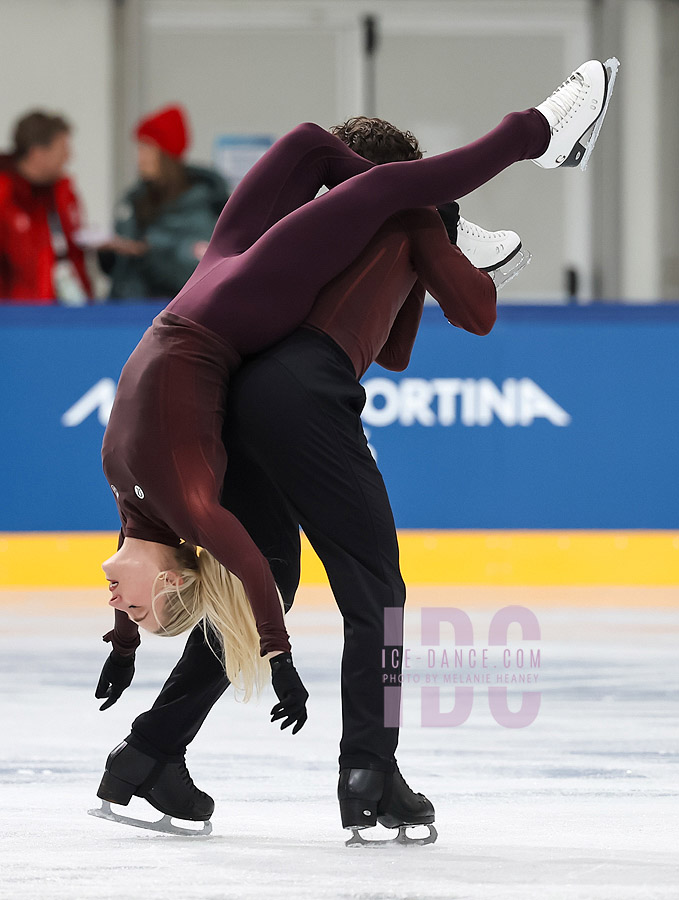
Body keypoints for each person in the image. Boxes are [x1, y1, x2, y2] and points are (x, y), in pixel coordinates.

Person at [92, 60, 613, 840]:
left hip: (242, 392)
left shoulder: (309, 239)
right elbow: (475, 316)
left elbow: (393, 348)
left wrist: (434, 255)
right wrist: (460, 252)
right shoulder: (401, 217)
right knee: (376, 589)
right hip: (298, 387)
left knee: (275, 572)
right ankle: (369, 769)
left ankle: (149, 750)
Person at [99, 104, 229, 301]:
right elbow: (121, 274)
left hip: (170, 319)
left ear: (166, 153)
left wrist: (148, 253)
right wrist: (109, 256)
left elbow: (198, 271)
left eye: (147, 148)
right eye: (139, 148)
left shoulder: (203, 207)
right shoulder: (133, 203)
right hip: (123, 317)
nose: (140, 158)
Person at [0, 110, 92, 304]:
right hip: (14, 318)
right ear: (37, 153)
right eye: (62, 149)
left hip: (65, 314)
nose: (69, 156)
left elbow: (73, 256)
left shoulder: (64, 194)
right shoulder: (5, 196)